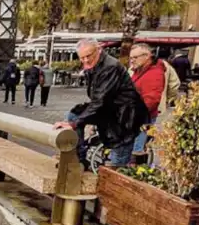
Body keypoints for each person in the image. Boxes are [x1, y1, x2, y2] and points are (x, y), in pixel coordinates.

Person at [55, 39, 149, 170]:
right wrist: (76, 121)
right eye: (82, 58)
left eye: (89, 56)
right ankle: (78, 160)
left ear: (98, 50)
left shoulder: (110, 67)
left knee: (117, 164)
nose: (86, 60)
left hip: (124, 117)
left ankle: (116, 180)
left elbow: (100, 100)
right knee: (74, 115)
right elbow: (97, 99)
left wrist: (75, 124)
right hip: (110, 111)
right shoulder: (93, 66)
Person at [129, 43, 166, 157]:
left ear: (147, 56)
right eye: (131, 58)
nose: (132, 61)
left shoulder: (154, 73)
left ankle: (135, 171)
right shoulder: (139, 71)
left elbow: (151, 100)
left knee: (136, 151)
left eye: (135, 57)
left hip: (142, 118)